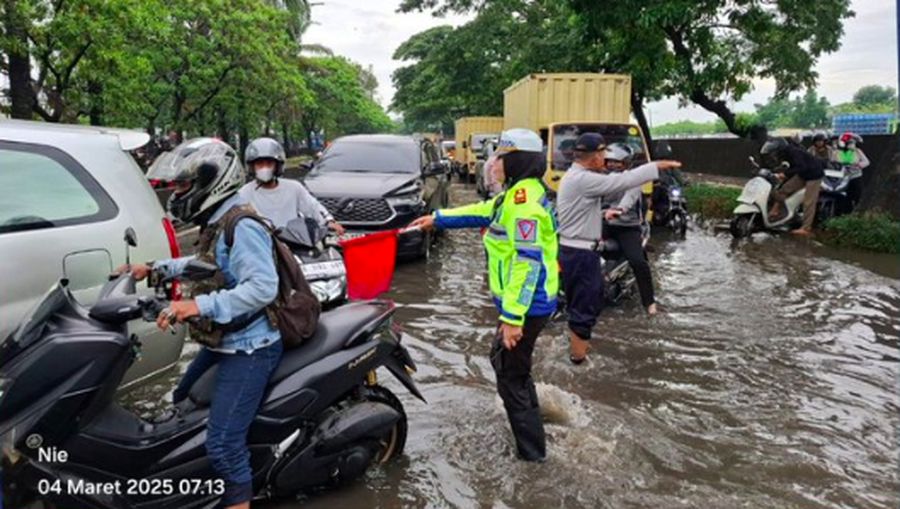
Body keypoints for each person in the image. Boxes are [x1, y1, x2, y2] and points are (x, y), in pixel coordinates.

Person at [129, 138, 283, 509]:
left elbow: (263, 287)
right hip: (223, 342)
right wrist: (153, 269)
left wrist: (195, 304)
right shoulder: (218, 220)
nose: (177, 193)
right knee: (182, 399)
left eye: (183, 186)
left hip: (250, 347)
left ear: (213, 181)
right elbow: (204, 264)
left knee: (224, 443)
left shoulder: (242, 224)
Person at [409, 128, 558, 462]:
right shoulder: (516, 195)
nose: (494, 164)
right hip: (525, 303)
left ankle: (533, 458)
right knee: (508, 367)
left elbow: (527, 263)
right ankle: (533, 428)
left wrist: (512, 317)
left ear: (517, 160)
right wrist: (438, 218)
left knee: (510, 379)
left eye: (502, 157)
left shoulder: (525, 206)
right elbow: (483, 209)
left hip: (527, 305)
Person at [556, 133, 681, 364]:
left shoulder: (578, 176)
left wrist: (607, 213)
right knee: (585, 307)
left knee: (634, 265)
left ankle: (648, 302)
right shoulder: (584, 179)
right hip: (582, 252)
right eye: (603, 155)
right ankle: (577, 363)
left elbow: (624, 191)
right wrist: (655, 166)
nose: (607, 160)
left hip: (610, 233)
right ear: (593, 156)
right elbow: (621, 182)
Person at [239, 137, 344, 234]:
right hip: (259, 246)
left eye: (269, 163)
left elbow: (313, 207)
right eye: (260, 164)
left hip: (293, 243)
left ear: (278, 165)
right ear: (252, 167)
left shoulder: (294, 188)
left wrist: (328, 222)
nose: (264, 167)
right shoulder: (244, 193)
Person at [601, 143, 657, 315]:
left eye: (617, 163)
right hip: (602, 223)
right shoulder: (599, 178)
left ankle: (650, 304)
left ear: (626, 163)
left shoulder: (632, 179)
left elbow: (629, 198)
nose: (612, 166)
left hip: (626, 227)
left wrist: (619, 210)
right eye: (609, 162)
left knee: (638, 263)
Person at [762, 137, 825, 235]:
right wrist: (784, 174)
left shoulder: (793, 152)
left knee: (809, 202)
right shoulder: (787, 153)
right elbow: (795, 167)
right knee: (783, 189)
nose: (774, 155)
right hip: (803, 173)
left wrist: (786, 174)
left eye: (774, 152)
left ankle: (806, 228)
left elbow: (801, 166)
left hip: (814, 174)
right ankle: (775, 210)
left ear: (780, 150)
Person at [831, 132, 870, 209]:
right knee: (844, 197)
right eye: (849, 143)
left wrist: (858, 165)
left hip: (856, 177)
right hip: (842, 178)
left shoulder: (857, 151)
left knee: (857, 195)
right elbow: (832, 162)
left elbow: (866, 162)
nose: (852, 144)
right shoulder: (837, 153)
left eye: (852, 142)